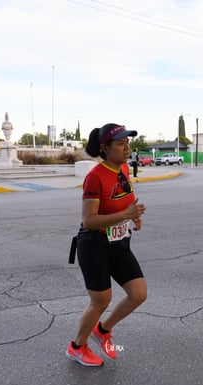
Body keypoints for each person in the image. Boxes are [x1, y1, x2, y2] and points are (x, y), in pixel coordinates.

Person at [66, 123, 147, 367]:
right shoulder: (94, 176)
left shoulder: (123, 168)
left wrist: (134, 216)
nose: (127, 148)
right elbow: (89, 221)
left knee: (138, 294)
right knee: (100, 301)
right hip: (94, 244)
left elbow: (124, 200)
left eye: (127, 143)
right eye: (121, 143)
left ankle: (102, 330)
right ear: (105, 148)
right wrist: (125, 215)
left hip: (119, 241)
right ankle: (77, 347)